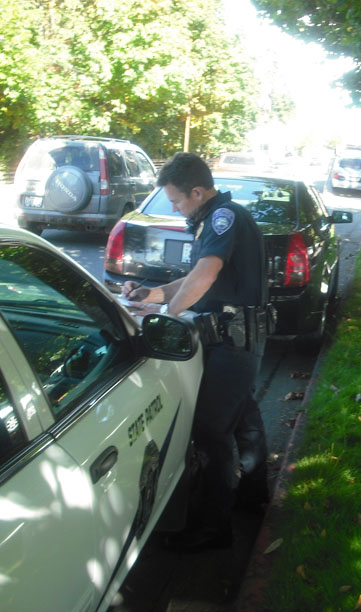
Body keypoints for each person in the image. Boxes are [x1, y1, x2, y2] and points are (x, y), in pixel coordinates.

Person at [122, 152, 269, 551]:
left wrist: (167, 315)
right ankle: (254, 498)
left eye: (176, 201)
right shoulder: (215, 218)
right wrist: (152, 297)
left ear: (198, 191)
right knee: (243, 418)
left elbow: (206, 275)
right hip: (234, 337)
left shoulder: (224, 217)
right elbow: (194, 277)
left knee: (210, 433)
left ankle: (213, 529)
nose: (174, 208)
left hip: (234, 340)